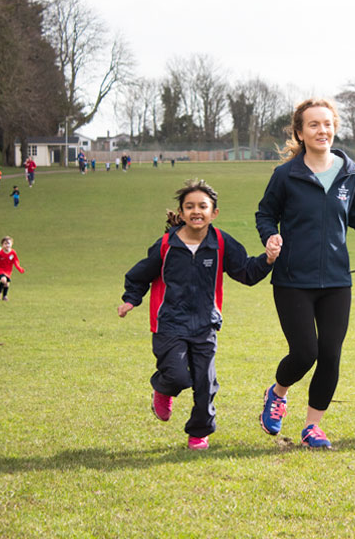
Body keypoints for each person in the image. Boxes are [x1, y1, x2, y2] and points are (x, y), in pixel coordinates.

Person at [255, 98, 355, 449]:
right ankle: (277, 392)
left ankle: (313, 427)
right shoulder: (286, 175)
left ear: (334, 127)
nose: (321, 130)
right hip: (293, 279)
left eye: (327, 123)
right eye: (313, 124)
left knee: (330, 354)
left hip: (337, 280)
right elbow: (265, 214)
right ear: (300, 132)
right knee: (305, 352)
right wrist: (270, 236)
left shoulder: (348, 170)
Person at [118, 179, 282, 451]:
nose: (196, 211)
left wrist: (267, 260)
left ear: (213, 212)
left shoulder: (221, 243)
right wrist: (130, 299)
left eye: (203, 206)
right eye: (190, 206)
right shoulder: (166, 245)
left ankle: (199, 433)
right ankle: (162, 388)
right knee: (178, 377)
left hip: (205, 324)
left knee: (206, 383)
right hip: (169, 323)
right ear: (181, 213)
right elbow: (140, 275)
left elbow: (245, 272)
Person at [0, 236, 25, 301]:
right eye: (5, 243)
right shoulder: (0, 253)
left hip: (8, 270)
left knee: (6, 284)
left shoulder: (13, 252)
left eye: (8, 243)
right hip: (0, 269)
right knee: (3, 280)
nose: (7, 245)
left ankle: (4, 296)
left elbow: (15, 260)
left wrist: (19, 268)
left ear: (11, 244)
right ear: (2, 245)